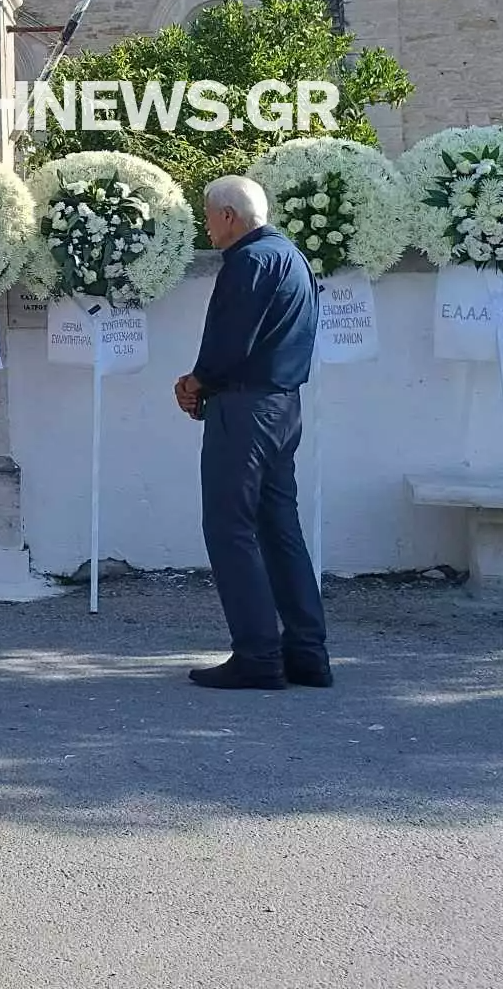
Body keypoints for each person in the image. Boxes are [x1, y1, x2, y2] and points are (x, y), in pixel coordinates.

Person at [173, 175, 330, 692]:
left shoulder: (248, 261)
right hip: (284, 406)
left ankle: (258, 655)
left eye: (208, 215)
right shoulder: (291, 257)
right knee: (280, 526)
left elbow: (230, 342)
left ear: (228, 216)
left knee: (230, 527)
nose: (206, 226)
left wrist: (195, 382)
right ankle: (307, 652)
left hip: (244, 409)